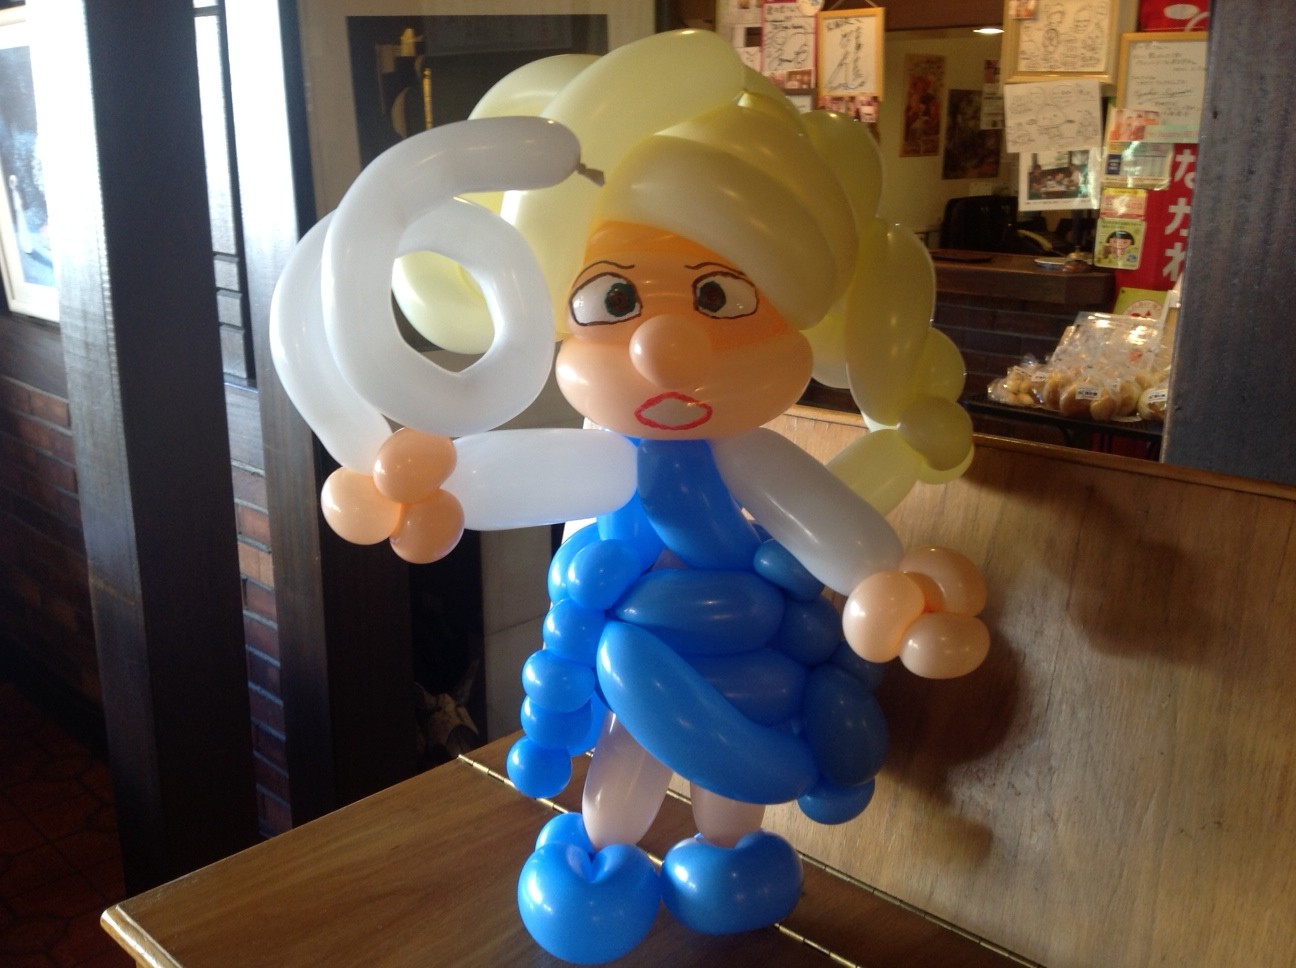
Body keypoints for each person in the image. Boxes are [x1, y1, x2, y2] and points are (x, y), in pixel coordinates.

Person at [272, 29, 987, 964]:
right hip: (637, 644)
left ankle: (721, 859)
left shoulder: (744, 451)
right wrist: (426, 489)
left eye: (719, 299)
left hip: (744, 650)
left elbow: (822, 522)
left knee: (725, 773)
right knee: (632, 750)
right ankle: (603, 861)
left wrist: (882, 578)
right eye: (617, 302)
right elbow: (507, 479)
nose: (666, 349)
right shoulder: (605, 456)